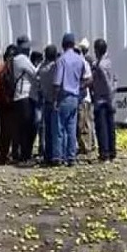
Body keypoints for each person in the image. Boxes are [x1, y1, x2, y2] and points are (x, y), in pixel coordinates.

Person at [54, 32, 88, 167]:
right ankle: (71, 156)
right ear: (73, 44)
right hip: (75, 96)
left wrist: (55, 99)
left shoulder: (61, 60)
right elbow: (84, 78)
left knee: (59, 128)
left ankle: (59, 156)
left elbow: (57, 82)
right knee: (71, 128)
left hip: (63, 96)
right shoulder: (80, 60)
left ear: (63, 45)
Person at [12, 35, 38, 163]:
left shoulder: (14, 59)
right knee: (28, 127)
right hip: (24, 96)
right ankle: (25, 155)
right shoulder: (22, 59)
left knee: (22, 127)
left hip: (18, 97)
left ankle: (22, 154)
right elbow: (35, 73)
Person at [92, 38, 118, 161]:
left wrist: (108, 97)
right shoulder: (110, 62)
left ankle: (105, 152)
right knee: (110, 127)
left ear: (97, 50)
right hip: (110, 98)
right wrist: (113, 94)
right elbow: (115, 79)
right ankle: (112, 151)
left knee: (102, 128)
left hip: (102, 100)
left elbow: (107, 83)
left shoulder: (100, 66)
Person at [37, 45, 58, 166]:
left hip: (46, 102)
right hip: (55, 101)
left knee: (47, 131)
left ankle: (48, 155)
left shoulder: (43, 69)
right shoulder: (55, 68)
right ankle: (56, 155)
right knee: (57, 131)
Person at [0, 45, 18, 163]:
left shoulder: (4, 70)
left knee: (8, 131)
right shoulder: (6, 70)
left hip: (6, 104)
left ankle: (6, 154)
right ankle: (7, 154)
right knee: (8, 131)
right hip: (8, 103)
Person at [76, 38, 95, 157]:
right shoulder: (85, 62)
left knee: (83, 123)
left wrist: (80, 87)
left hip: (83, 97)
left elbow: (89, 79)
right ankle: (89, 145)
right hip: (84, 98)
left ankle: (86, 147)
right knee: (86, 122)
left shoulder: (84, 62)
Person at [30, 50, 44, 159]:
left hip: (36, 99)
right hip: (38, 99)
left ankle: (41, 148)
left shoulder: (35, 69)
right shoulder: (37, 69)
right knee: (40, 125)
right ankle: (41, 148)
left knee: (38, 124)